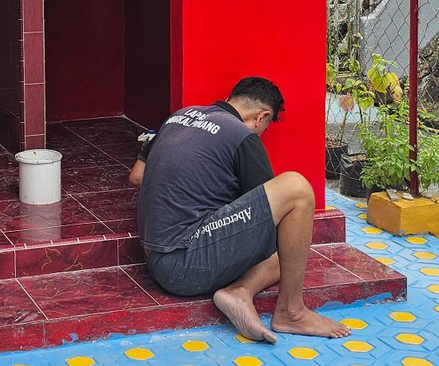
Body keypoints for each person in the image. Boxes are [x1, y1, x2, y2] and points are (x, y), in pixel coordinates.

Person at [130, 77, 351, 342]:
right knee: (297, 191)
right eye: (265, 127)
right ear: (262, 117)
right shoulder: (241, 134)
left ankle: (240, 291)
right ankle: (291, 312)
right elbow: (271, 218)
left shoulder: (179, 117)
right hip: (184, 264)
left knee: (290, 252)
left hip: (155, 257)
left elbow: (137, 175)